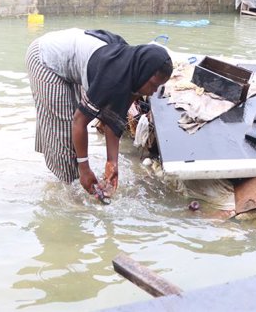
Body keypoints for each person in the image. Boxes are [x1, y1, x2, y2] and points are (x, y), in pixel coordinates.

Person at [25, 28, 173, 197]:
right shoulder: (113, 77)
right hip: (44, 57)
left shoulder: (132, 71)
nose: (153, 92)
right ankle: (69, 191)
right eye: (153, 85)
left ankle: (72, 175)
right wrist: (84, 169)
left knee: (71, 125)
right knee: (64, 128)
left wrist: (112, 163)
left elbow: (113, 118)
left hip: (71, 54)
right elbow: (79, 122)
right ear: (144, 72)